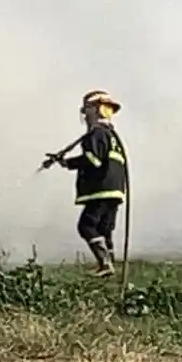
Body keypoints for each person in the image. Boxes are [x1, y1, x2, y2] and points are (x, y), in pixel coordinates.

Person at [54, 90, 127, 277]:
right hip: (116, 190)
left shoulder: (96, 134)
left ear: (95, 110)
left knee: (86, 226)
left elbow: (93, 160)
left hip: (100, 189)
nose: (85, 116)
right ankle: (109, 265)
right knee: (105, 229)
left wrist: (68, 163)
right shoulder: (111, 135)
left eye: (86, 110)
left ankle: (105, 264)